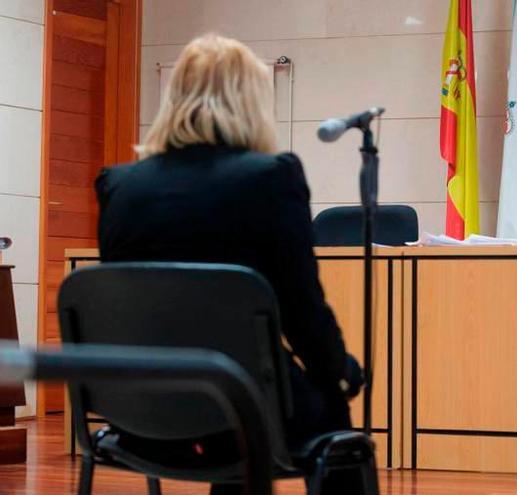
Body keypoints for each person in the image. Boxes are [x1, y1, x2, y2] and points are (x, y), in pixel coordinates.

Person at [95, 34, 364, 494]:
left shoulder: (118, 187)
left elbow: (135, 307)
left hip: (140, 416)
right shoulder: (270, 178)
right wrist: (340, 370)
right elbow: (302, 310)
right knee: (332, 418)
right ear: (250, 102)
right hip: (247, 411)